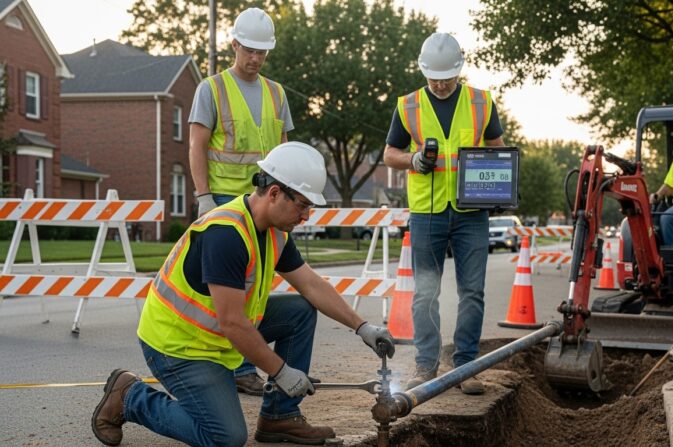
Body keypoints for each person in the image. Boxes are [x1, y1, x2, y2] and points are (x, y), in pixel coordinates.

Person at [92, 142, 396, 447]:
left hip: (215, 338)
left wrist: (362, 327)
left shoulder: (275, 231)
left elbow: (311, 285)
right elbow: (233, 323)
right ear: (275, 193)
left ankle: (280, 417)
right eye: (302, 205)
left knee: (300, 311)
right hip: (179, 346)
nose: (305, 216)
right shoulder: (226, 234)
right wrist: (281, 371)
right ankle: (131, 397)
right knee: (225, 437)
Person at [383, 32, 505, 395]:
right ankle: (426, 365)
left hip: (471, 213)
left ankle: (466, 366)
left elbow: (498, 149)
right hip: (428, 210)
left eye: (446, 77)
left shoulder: (482, 102)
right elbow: (390, 154)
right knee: (424, 293)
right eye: (433, 77)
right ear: (424, 71)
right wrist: (413, 160)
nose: (439, 84)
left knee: (472, 292)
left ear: (459, 70)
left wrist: (500, 185)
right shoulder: (408, 105)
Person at [188, 7, 295, 395]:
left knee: (260, 283)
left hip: (267, 203)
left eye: (262, 52)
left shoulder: (276, 93)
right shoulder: (211, 89)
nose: (255, 58)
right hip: (223, 202)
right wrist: (202, 197)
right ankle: (233, 365)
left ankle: (245, 364)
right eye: (249, 49)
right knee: (230, 287)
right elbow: (197, 146)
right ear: (233, 44)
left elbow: (283, 150)